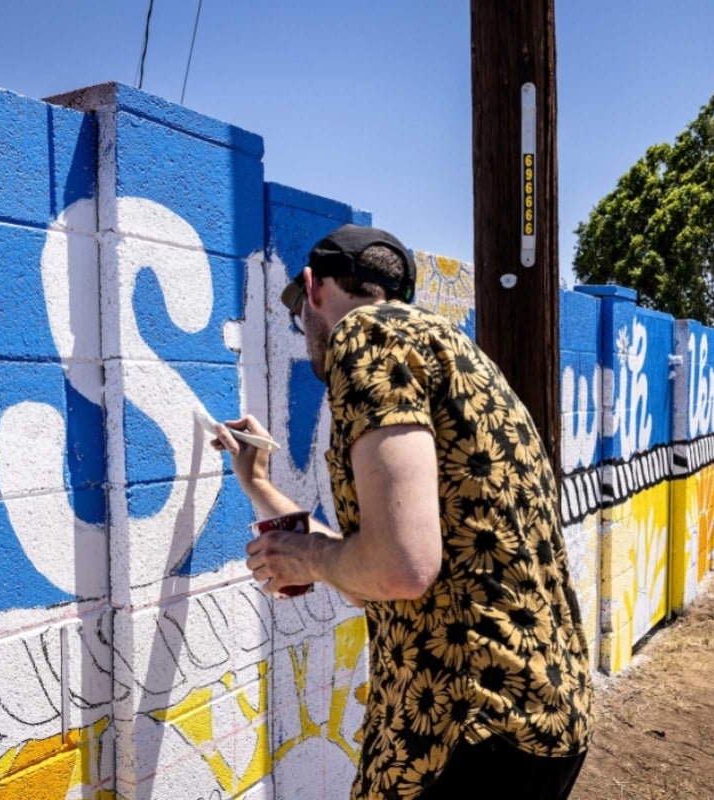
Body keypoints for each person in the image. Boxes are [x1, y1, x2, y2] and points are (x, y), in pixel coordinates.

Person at [210, 224, 593, 800]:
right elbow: (373, 573)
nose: (304, 325)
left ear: (313, 287)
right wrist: (260, 486)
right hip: (540, 718)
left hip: (462, 730)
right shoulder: (452, 351)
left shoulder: (363, 336)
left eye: (296, 307)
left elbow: (400, 569)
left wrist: (309, 558)